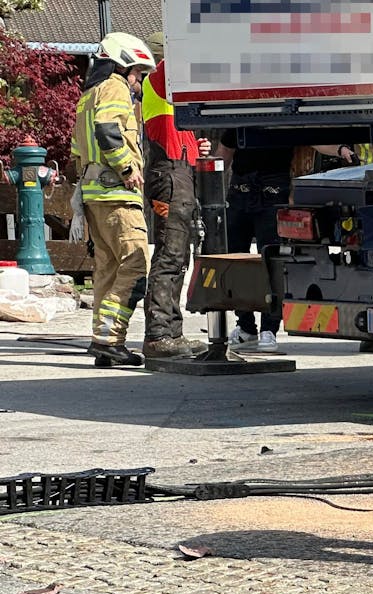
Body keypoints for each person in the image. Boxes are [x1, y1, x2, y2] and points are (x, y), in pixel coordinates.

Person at [219, 137, 355, 352]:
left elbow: (313, 140)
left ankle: (268, 330)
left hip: (272, 192)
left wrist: (340, 149)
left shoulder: (280, 120)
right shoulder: (239, 118)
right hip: (240, 192)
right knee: (235, 262)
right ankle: (246, 328)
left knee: (272, 263)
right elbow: (223, 154)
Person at [72, 32, 156, 367]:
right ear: (122, 66)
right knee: (136, 264)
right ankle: (110, 338)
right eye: (137, 73)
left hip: (94, 197)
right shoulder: (115, 88)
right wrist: (126, 168)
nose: (138, 82)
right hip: (117, 195)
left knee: (106, 270)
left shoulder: (87, 96)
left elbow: (78, 150)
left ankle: (102, 341)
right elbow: (108, 130)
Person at [139, 32, 212, 359]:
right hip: (169, 174)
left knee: (179, 255)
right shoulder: (156, 80)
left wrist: (199, 147)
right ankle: (158, 335)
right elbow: (180, 60)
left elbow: (181, 134)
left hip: (179, 172)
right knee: (170, 254)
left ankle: (172, 333)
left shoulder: (175, 100)